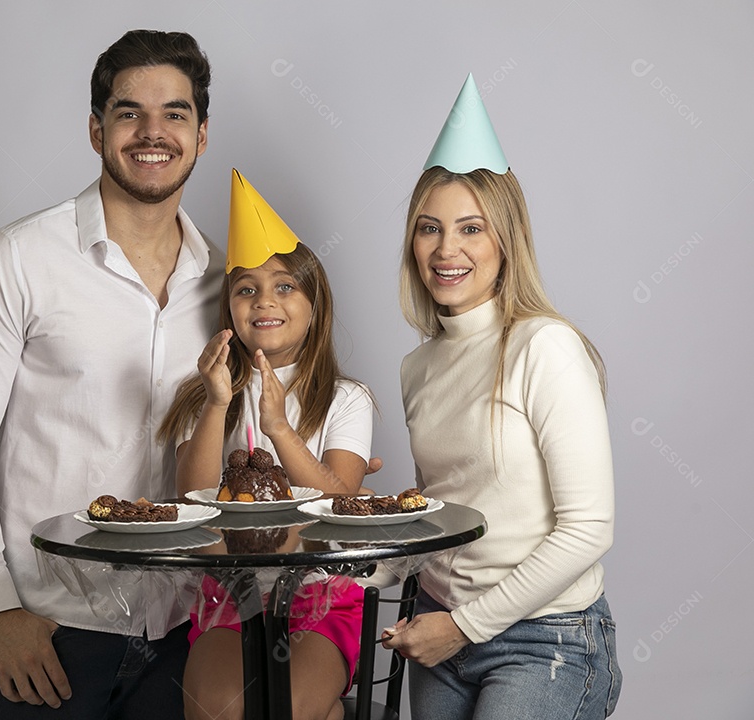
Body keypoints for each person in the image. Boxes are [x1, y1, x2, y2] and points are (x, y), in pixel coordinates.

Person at [0, 30, 222, 719]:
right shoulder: (15, 260)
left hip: (186, 634)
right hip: (52, 633)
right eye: (129, 113)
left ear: (201, 136)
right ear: (96, 130)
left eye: (175, 114)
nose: (153, 133)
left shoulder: (227, 282)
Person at [382, 75, 622, 718]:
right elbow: (448, 511)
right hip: (437, 628)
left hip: (544, 638)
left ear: (505, 241)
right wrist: (363, 561)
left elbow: (589, 527)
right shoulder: (417, 368)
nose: (447, 250)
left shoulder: (545, 347)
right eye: (429, 228)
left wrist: (464, 627)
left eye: (471, 228)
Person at [159, 170, 375, 720]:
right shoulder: (203, 393)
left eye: (284, 286)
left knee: (290, 711)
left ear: (314, 304)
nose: (264, 301)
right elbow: (190, 501)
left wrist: (279, 427)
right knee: (216, 711)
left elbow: (341, 504)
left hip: (322, 594)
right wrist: (216, 403)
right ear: (229, 308)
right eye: (246, 289)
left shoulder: (346, 398)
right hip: (230, 592)